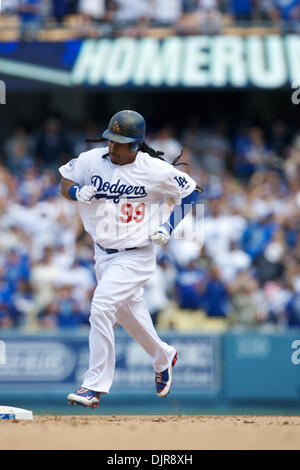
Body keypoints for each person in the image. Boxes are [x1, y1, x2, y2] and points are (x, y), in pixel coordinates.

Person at [58, 110, 201, 408]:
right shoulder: (90, 160)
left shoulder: (154, 169)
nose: (112, 147)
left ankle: (93, 386)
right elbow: (64, 181)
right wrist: (75, 191)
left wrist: (168, 225)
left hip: (137, 255)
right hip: (103, 253)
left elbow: (191, 193)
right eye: (111, 139)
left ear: (136, 144)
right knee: (127, 314)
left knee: (101, 307)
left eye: (120, 143)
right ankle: (163, 356)